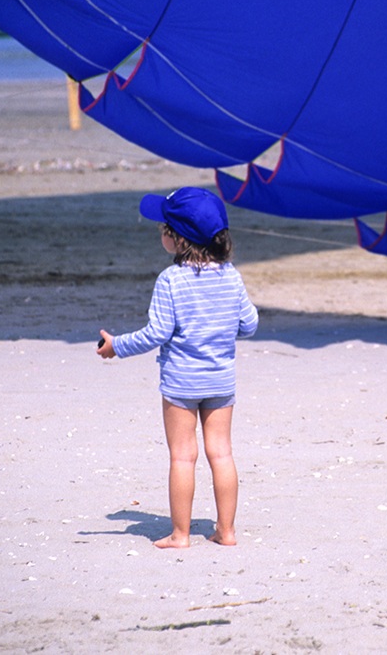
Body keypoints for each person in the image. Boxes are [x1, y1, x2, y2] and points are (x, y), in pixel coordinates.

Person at [98, 187, 258, 549]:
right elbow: (249, 325)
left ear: (177, 238)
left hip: (181, 383)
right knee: (222, 453)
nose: (160, 233)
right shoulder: (231, 276)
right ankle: (227, 532)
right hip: (220, 380)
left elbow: (157, 333)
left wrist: (116, 346)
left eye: (163, 227)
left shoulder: (170, 281)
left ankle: (181, 534)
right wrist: (218, 327)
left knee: (183, 457)